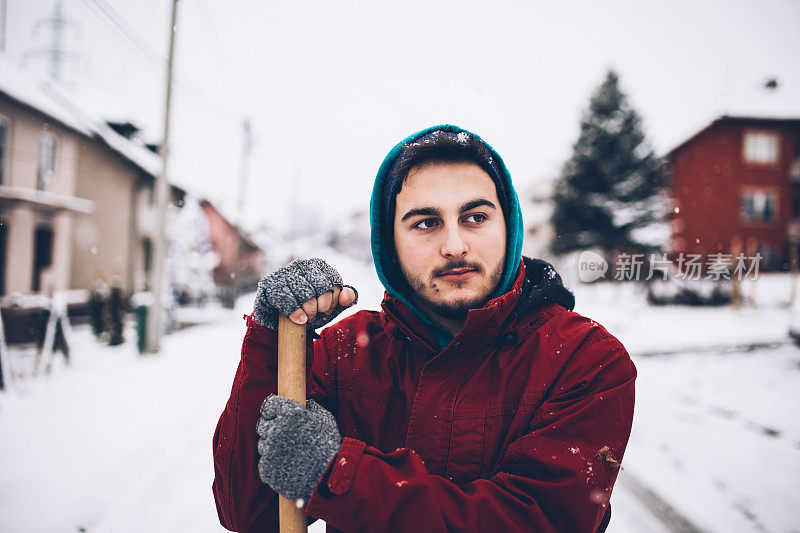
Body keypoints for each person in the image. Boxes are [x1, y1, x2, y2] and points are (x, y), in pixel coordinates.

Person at [212, 125, 636, 533]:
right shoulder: (346, 355)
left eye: (474, 217)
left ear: (509, 229)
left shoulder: (585, 360)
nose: (454, 245)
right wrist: (271, 341)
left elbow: (536, 521)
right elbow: (251, 514)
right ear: (389, 244)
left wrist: (339, 474)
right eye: (425, 223)